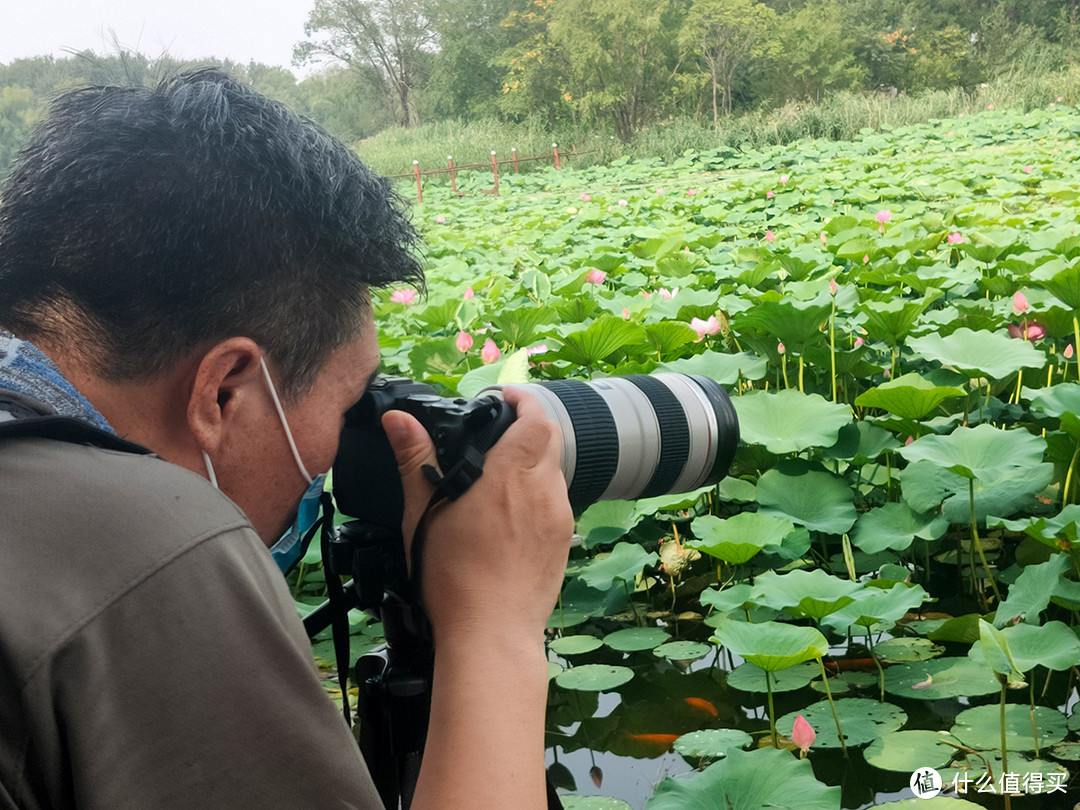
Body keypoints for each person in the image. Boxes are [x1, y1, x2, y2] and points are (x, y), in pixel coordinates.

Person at [0, 68, 574, 809]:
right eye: (348, 403)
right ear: (224, 391)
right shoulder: (146, 547)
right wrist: (493, 624)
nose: (349, 440)